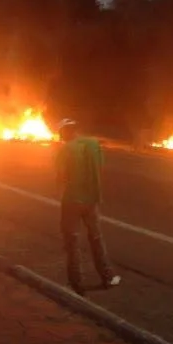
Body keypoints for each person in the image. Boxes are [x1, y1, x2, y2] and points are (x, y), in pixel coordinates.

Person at [54, 118, 121, 295]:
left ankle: (76, 284)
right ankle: (108, 277)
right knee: (97, 239)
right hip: (92, 200)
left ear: (66, 132)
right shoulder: (94, 144)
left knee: (72, 241)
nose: (60, 137)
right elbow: (100, 166)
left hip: (72, 200)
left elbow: (60, 177)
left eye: (61, 133)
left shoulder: (66, 149)